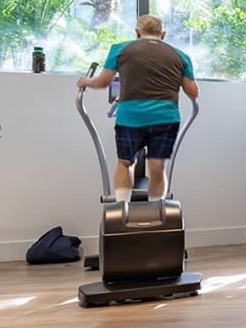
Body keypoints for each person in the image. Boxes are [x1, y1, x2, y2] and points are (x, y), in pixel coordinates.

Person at [77, 15, 198, 201]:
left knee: (125, 163)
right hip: (166, 118)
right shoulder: (181, 56)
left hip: (130, 117)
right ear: (163, 34)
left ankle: (122, 209)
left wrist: (85, 81)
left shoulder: (120, 49)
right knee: (157, 166)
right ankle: (157, 209)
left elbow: (102, 82)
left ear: (137, 33)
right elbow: (192, 92)